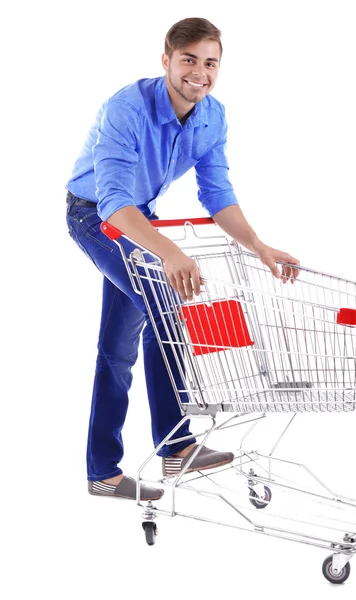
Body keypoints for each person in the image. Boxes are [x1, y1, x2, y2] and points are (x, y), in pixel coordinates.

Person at [65, 17, 300, 501]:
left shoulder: (214, 116)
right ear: (166, 60)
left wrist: (257, 244)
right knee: (166, 305)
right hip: (95, 215)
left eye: (210, 62)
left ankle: (103, 473)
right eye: (189, 60)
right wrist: (169, 253)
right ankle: (177, 446)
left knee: (117, 349)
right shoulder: (126, 107)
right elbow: (111, 201)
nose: (200, 72)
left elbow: (218, 195)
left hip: (139, 217)